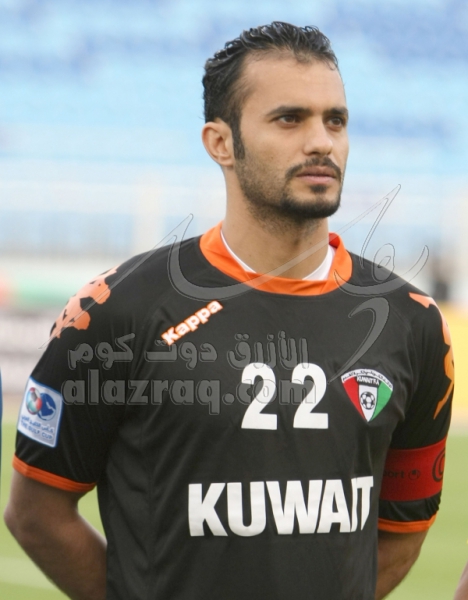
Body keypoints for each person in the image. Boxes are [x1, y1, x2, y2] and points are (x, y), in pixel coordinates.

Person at [4, 22, 453, 600]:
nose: (321, 141)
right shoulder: (116, 311)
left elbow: (402, 534)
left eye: (335, 120)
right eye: (289, 119)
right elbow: (37, 512)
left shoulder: (413, 323)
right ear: (220, 142)